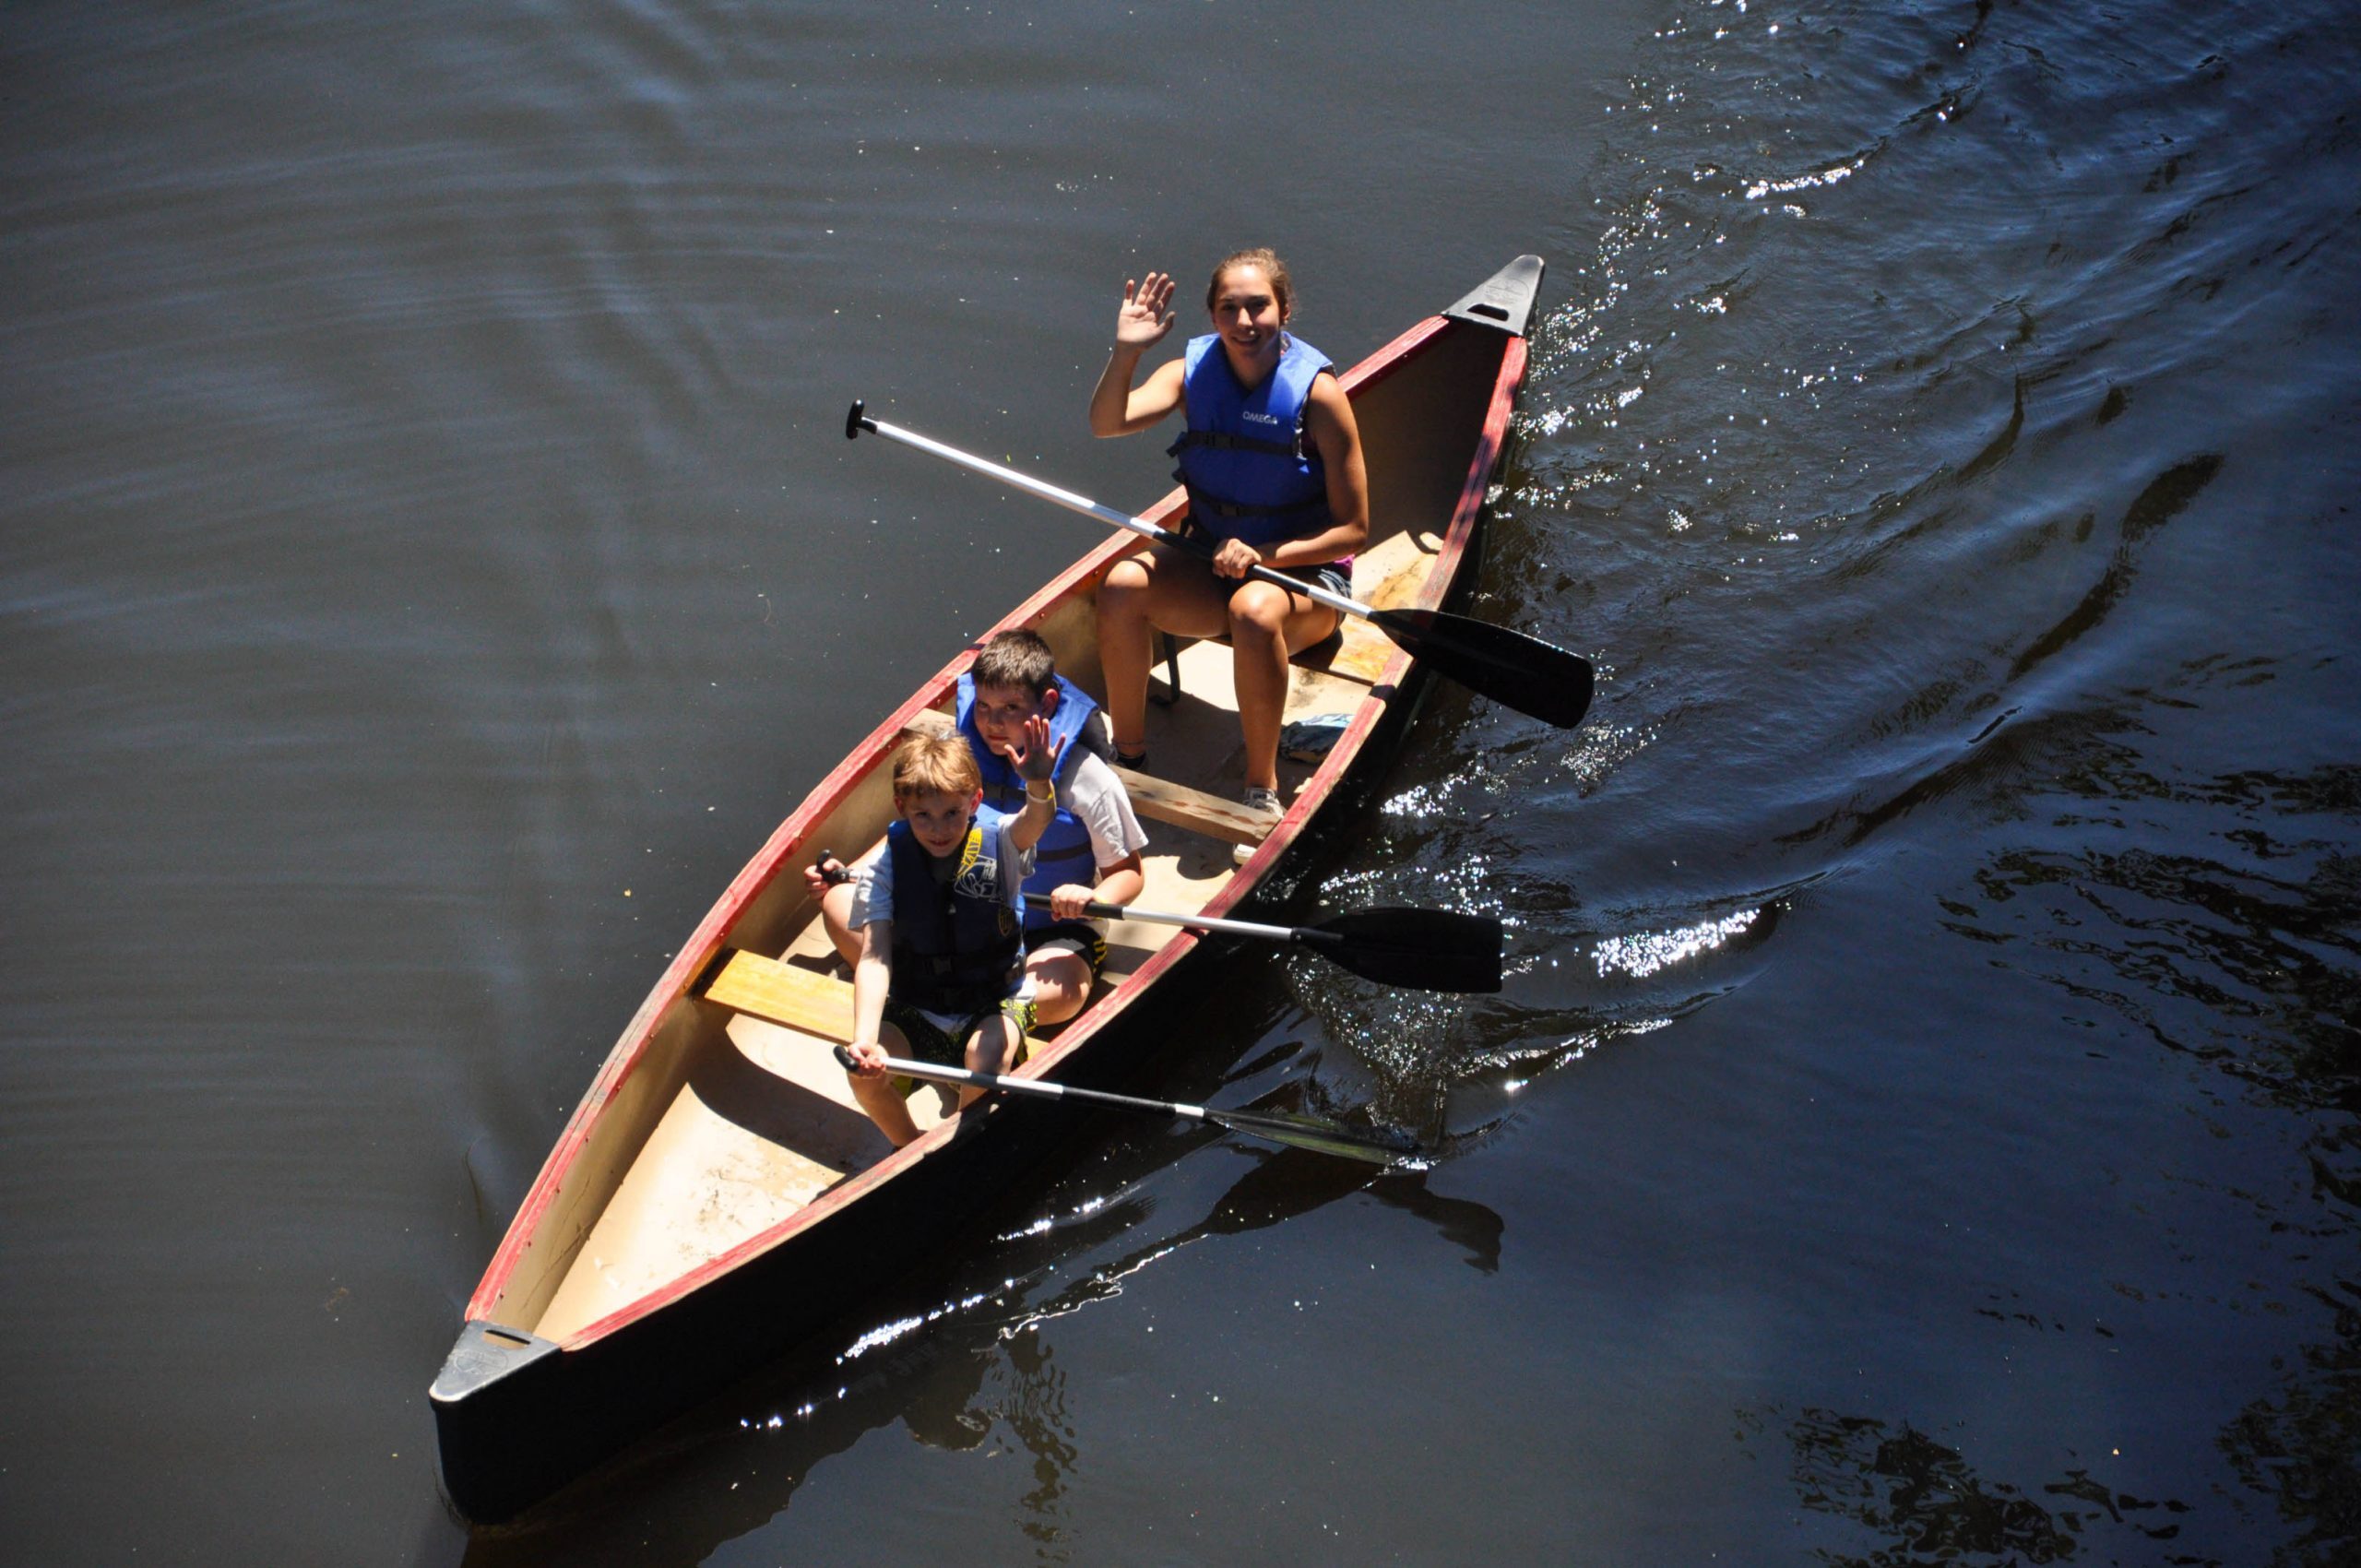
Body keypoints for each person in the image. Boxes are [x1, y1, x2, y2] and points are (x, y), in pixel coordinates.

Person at [1086, 248, 1370, 860]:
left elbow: (1354, 530)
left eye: (1258, 306)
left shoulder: (1319, 395)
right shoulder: (1190, 373)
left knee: (1255, 611)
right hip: (1213, 563)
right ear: (1213, 317)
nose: (1244, 321)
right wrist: (1128, 350)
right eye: (1229, 308)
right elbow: (1107, 424)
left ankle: (1260, 787)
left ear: (1284, 310)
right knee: (1120, 586)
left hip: (1304, 582)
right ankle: (1126, 756)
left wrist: (1264, 551)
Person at [806, 629, 1149, 1026]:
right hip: (958, 922)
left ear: (1048, 703)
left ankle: (936, 1001)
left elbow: (1129, 873)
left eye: (1010, 707)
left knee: (1063, 992)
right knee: (837, 904)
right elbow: (911, 832)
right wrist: (849, 874)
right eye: (983, 706)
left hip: (1046, 933)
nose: (992, 723)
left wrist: (1089, 897)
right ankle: (966, 1004)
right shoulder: (960, 759)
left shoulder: (1086, 777)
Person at [839, 729, 1056, 1148]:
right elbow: (874, 957)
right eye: (924, 816)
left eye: (952, 813)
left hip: (993, 1000)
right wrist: (864, 1039)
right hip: (920, 1006)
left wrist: (1038, 783)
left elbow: (1036, 820)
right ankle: (908, 1147)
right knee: (861, 1075)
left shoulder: (1003, 843)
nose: (940, 829)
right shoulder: (884, 868)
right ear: (903, 809)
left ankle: (963, 1139)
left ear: (974, 802)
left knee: (985, 1058)